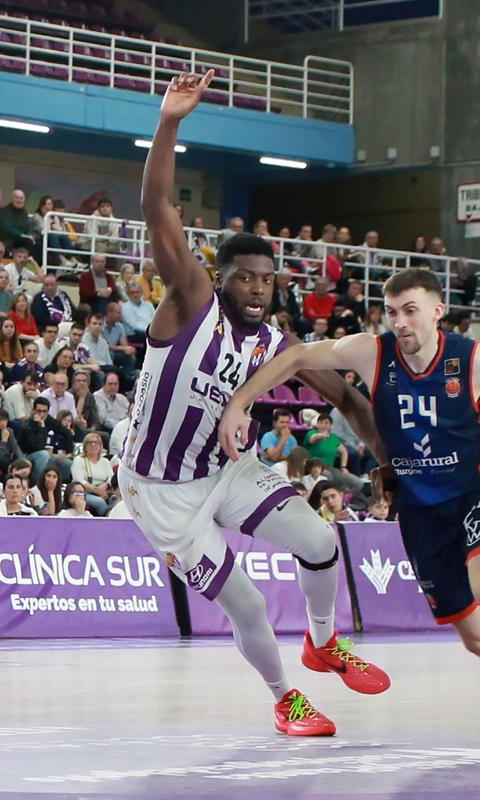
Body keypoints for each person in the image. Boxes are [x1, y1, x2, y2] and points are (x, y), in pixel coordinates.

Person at [223, 267, 480, 740]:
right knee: (477, 638)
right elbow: (296, 357)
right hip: (419, 508)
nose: (401, 322)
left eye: (411, 311)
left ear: (437, 312)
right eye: (392, 312)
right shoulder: (373, 353)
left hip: (477, 490)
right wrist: (239, 403)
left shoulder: (475, 359)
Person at [119, 71, 389, 738]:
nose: (260, 289)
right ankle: (285, 698)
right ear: (223, 276)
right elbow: (158, 211)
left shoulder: (279, 342)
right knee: (245, 602)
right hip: (161, 491)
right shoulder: (190, 298)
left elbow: (346, 397)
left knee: (321, 541)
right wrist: (170, 122)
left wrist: (391, 459)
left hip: (225, 470)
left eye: (269, 280)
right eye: (248, 277)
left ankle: (323, 642)